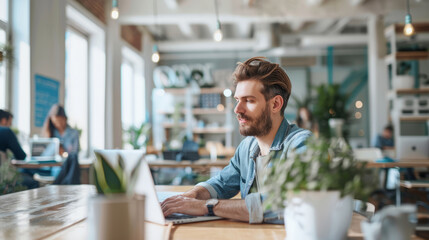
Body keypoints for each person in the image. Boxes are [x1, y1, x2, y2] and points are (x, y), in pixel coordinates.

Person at [161, 57, 312, 223]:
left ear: (275, 104)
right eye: (238, 100)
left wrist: (208, 206)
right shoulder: (247, 147)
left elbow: (288, 204)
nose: (237, 109)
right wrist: (191, 196)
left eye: (249, 100)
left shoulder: (301, 145)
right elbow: (221, 183)